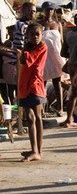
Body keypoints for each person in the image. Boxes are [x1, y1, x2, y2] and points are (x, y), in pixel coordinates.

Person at [13, 23, 47, 162]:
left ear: (41, 34)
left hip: (35, 85)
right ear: (27, 36)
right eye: (32, 34)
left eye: (37, 34)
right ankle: (36, 150)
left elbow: (28, 60)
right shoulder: (28, 48)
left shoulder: (42, 47)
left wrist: (21, 52)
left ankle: (37, 151)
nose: (35, 37)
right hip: (25, 87)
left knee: (36, 117)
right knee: (31, 118)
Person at [40, 2, 65, 116]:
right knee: (42, 83)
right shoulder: (40, 23)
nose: (49, 11)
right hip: (43, 57)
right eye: (47, 9)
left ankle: (60, 108)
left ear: (54, 10)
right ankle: (42, 109)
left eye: (51, 9)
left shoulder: (58, 24)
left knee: (57, 83)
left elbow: (62, 41)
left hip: (56, 56)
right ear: (43, 10)